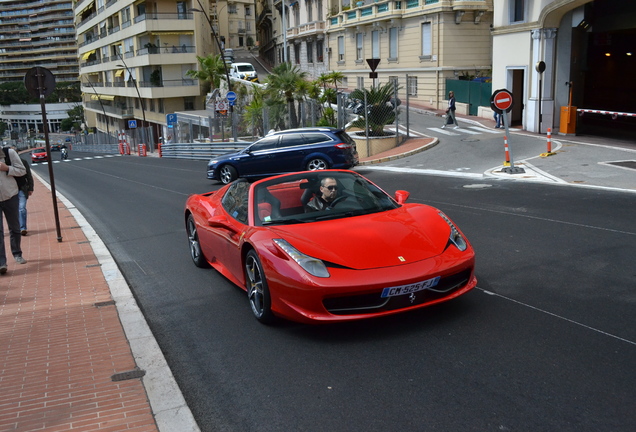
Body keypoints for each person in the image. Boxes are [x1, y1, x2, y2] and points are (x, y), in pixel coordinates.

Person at [0, 146, 28, 274]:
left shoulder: (8, 153)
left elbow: (22, 170)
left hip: (10, 195)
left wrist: (7, 168)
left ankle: (17, 253)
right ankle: (1, 262)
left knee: (15, 227)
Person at [11, 146, 34, 236]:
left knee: (22, 208)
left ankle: (23, 228)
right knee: (13, 211)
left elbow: (29, 175)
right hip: (10, 190)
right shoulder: (7, 163)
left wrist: (30, 188)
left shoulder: (23, 162)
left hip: (22, 189)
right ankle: (16, 227)